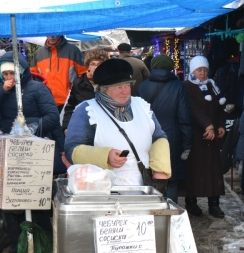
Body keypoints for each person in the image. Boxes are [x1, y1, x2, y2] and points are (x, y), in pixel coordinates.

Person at [0, 51, 65, 253]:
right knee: (14, 196)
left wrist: (30, 127)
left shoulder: (38, 89)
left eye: (12, 73)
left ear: (21, 70)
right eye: (6, 74)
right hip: (10, 151)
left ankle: (44, 237)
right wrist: (1, 90)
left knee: (36, 195)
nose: (9, 77)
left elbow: (52, 117)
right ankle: (17, 239)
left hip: (35, 150)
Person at [65, 58, 171, 186]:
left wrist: (160, 173)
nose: (125, 91)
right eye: (118, 87)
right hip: (102, 188)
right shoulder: (87, 111)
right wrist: (105, 156)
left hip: (143, 186)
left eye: (127, 85)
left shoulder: (142, 106)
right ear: (104, 88)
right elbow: (72, 150)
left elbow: (158, 137)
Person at [136, 54, 192, 203]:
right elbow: (185, 118)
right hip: (172, 139)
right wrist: (187, 145)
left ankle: (150, 213)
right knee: (170, 179)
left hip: (147, 138)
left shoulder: (142, 87)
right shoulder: (178, 86)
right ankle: (170, 217)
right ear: (171, 68)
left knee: (148, 176)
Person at [183, 56, 226, 218]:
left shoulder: (212, 86)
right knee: (194, 169)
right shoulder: (187, 86)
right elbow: (192, 109)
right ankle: (191, 202)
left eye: (205, 70)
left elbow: (219, 108)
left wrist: (220, 125)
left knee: (214, 171)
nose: (202, 73)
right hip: (196, 135)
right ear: (193, 71)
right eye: (199, 70)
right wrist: (207, 124)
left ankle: (214, 204)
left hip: (212, 137)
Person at [29, 35, 86, 112]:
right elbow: (33, 77)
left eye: (55, 33)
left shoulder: (73, 50)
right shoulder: (38, 53)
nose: (52, 36)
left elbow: (83, 74)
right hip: (46, 101)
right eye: (49, 33)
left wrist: (76, 91)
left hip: (68, 101)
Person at [62, 49, 108, 133]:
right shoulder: (79, 83)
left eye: (99, 64)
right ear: (88, 66)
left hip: (104, 127)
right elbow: (70, 107)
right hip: (83, 126)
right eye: (92, 64)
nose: (96, 67)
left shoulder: (109, 83)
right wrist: (66, 126)